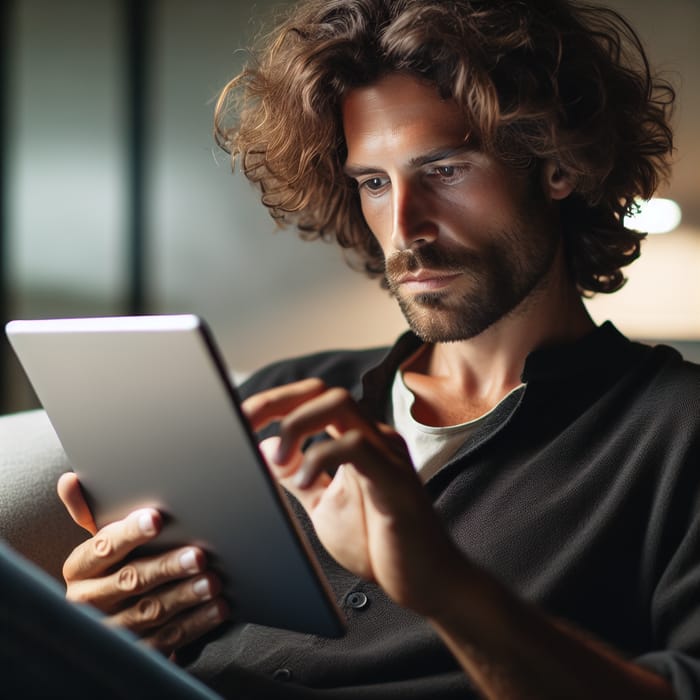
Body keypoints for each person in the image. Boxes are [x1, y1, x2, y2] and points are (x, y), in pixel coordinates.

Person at [57, 0, 700, 698]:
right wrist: (115, 622)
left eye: (446, 170)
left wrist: (444, 588)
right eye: (373, 182)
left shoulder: (674, 431)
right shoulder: (285, 395)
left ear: (554, 167)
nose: (404, 226)